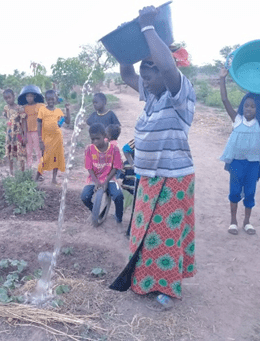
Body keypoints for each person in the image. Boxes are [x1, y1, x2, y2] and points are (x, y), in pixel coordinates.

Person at [109, 6, 197, 312]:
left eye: (152, 67)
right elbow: (126, 73)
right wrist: (124, 51)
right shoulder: (152, 94)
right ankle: (146, 280)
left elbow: (169, 68)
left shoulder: (179, 92)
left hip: (173, 178)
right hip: (149, 176)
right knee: (145, 232)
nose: (146, 73)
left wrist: (148, 29)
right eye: (145, 67)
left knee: (166, 236)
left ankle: (168, 289)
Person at [219, 68, 260, 235]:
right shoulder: (237, 119)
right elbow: (224, 99)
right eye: (246, 105)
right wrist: (222, 78)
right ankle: (233, 221)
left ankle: (247, 222)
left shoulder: (258, 124)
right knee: (235, 191)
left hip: (254, 164)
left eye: (253, 106)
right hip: (237, 162)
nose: (248, 108)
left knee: (250, 192)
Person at [81, 123, 124, 225]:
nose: (95, 142)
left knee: (118, 196)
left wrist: (106, 181)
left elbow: (116, 167)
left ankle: (119, 218)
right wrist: (96, 182)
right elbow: (89, 167)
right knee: (84, 196)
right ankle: (95, 211)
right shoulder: (89, 149)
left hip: (109, 178)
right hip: (94, 178)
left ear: (105, 136)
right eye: (93, 139)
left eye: (97, 138)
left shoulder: (114, 149)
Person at [35, 90, 70, 184]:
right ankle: (37, 177)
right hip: (46, 138)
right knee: (45, 158)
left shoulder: (58, 111)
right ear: (46, 100)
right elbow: (39, 125)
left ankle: (54, 178)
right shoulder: (42, 110)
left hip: (57, 138)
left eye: (52, 99)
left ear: (56, 99)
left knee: (56, 158)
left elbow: (67, 122)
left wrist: (67, 110)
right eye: (48, 99)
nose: (51, 101)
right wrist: (40, 140)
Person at [18, 85, 45, 169]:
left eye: (31, 96)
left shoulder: (40, 106)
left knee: (38, 151)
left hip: (37, 131)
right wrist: (24, 135)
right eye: (27, 96)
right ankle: (29, 168)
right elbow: (24, 122)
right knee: (28, 151)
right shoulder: (24, 108)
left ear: (35, 96)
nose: (29, 98)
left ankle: (40, 170)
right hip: (28, 132)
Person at [3, 89, 27, 175]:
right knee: (10, 152)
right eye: (6, 98)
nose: (8, 100)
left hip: (18, 134)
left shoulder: (19, 108)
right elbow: (7, 117)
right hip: (9, 134)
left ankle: (22, 172)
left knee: (20, 152)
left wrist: (24, 136)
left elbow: (24, 122)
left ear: (14, 96)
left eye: (9, 97)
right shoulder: (6, 108)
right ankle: (11, 172)